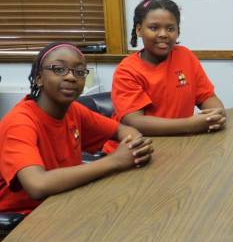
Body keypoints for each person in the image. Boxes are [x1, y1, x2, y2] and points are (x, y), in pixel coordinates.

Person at [0, 42, 153, 215]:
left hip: (65, 202)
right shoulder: (19, 122)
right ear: (39, 78)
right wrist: (115, 161)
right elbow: (37, 185)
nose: (71, 77)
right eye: (59, 69)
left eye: (79, 72)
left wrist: (134, 147)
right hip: (24, 220)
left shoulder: (73, 110)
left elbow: (123, 130)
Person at [108, 0, 226, 142]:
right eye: (154, 27)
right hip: (136, 149)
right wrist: (190, 125)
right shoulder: (127, 70)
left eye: (170, 28)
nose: (163, 34)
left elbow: (207, 97)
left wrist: (217, 114)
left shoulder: (185, 56)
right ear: (139, 30)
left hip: (179, 143)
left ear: (178, 31)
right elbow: (134, 122)